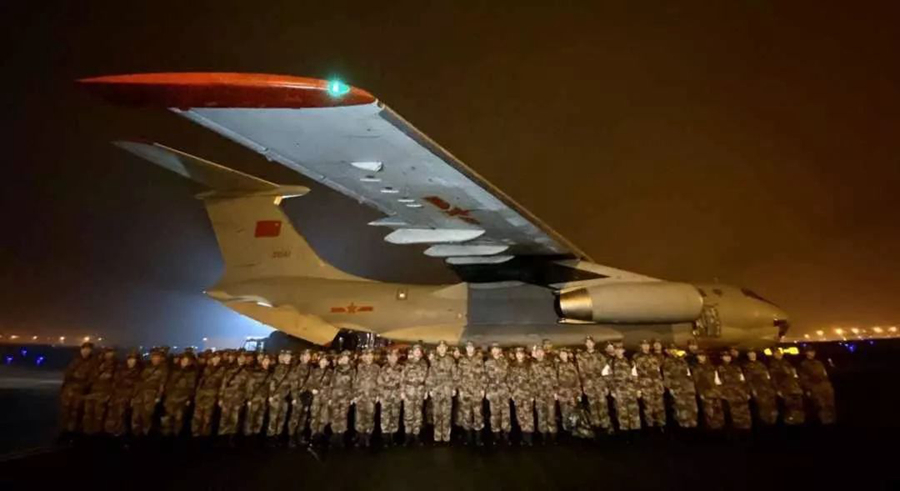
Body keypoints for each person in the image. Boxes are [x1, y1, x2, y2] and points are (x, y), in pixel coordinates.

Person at [575, 336, 613, 436]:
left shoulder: (600, 356)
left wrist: (607, 385)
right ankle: (596, 426)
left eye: (590, 342)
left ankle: (606, 426)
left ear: (594, 343)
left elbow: (606, 371)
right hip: (589, 384)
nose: (589, 344)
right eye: (587, 342)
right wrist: (584, 385)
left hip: (600, 384)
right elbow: (581, 372)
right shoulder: (581, 356)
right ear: (585, 344)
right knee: (592, 406)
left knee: (603, 405)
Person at [59, 342, 96, 435]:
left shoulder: (93, 363)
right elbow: (67, 375)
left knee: (77, 413)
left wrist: (84, 386)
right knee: (66, 412)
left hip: (81, 391)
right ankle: (65, 431)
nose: (85, 351)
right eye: (84, 349)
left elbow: (91, 379)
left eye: (88, 349)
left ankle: (74, 432)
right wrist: (64, 389)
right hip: (70, 391)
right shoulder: (75, 361)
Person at [161, 351, 199, 437]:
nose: (185, 362)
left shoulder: (192, 372)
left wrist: (189, 398)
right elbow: (168, 382)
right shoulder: (174, 369)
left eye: (187, 360)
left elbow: (192, 387)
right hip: (171, 398)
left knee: (178, 419)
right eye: (184, 360)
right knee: (167, 419)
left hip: (182, 399)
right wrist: (167, 394)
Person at [131, 349, 167, 436]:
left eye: (157, 357)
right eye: (153, 357)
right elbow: (138, 380)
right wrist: (134, 394)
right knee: (136, 415)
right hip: (139, 394)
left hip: (151, 395)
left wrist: (158, 396)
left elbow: (162, 384)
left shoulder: (163, 369)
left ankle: (145, 432)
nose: (155, 359)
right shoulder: (145, 366)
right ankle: (135, 433)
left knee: (146, 416)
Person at [105, 350, 142, 436]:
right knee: (111, 409)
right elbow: (115, 382)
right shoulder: (121, 369)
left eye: (133, 359)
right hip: (117, 393)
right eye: (129, 359)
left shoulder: (138, 371)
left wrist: (132, 396)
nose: (131, 361)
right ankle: (110, 430)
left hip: (128, 395)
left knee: (121, 410)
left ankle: (119, 430)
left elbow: (137, 385)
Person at [426, 341, 457, 444]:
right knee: (437, 414)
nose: (442, 349)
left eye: (444, 347)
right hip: (437, 390)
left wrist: (454, 388)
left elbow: (455, 375)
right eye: (440, 347)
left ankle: (446, 436)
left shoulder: (451, 360)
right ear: (437, 349)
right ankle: (437, 437)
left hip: (447, 389)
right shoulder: (433, 360)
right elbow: (430, 375)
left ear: (446, 348)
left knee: (447, 414)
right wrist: (429, 389)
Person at [661, 344, 698, 429]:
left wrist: (691, 385)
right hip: (677, 388)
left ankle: (693, 425)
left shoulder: (682, 360)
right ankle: (683, 426)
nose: (674, 351)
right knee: (681, 408)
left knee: (692, 407)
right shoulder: (667, 361)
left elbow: (689, 373)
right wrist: (671, 388)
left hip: (688, 387)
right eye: (671, 350)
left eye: (675, 349)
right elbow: (666, 376)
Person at [455, 341, 485, 446]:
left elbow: (483, 375)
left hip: (477, 390)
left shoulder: (479, 359)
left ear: (474, 349)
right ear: (466, 349)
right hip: (466, 391)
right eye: (468, 347)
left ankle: (478, 439)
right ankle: (468, 438)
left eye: (471, 347)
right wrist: (460, 390)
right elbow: (458, 376)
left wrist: (482, 389)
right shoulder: (462, 360)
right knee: (466, 414)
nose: (470, 349)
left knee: (478, 414)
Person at [798, 346, 836, 425]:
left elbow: (824, 374)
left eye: (813, 351)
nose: (812, 353)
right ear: (806, 353)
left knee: (830, 406)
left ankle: (831, 420)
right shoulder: (804, 364)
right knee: (822, 407)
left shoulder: (819, 363)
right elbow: (803, 379)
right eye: (810, 351)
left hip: (825, 387)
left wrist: (828, 385)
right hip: (816, 388)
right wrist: (809, 389)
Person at [82, 347, 116, 435]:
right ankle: (87, 432)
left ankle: (97, 433)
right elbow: (89, 377)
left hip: (104, 392)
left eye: (110, 353)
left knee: (99, 414)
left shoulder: (115, 365)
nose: (109, 355)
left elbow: (112, 379)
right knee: (88, 413)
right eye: (107, 353)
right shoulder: (96, 364)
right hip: (93, 391)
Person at [633, 339, 666, 430]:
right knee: (648, 408)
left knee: (660, 407)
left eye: (647, 345)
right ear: (640, 346)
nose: (646, 346)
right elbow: (634, 374)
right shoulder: (636, 357)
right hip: (645, 386)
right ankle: (650, 427)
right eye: (644, 345)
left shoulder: (654, 356)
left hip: (657, 385)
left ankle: (661, 425)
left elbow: (660, 369)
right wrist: (637, 388)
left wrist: (661, 384)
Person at [192, 351, 225, 438]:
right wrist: (197, 393)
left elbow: (222, 384)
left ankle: (205, 436)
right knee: (197, 417)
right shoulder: (205, 368)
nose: (216, 359)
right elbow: (200, 382)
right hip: (201, 395)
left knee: (207, 418)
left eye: (217, 358)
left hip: (212, 396)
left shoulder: (222, 369)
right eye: (214, 357)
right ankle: (195, 434)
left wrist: (219, 396)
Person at [218, 350, 250, 441]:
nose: (241, 359)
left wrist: (245, 399)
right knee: (224, 418)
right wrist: (220, 397)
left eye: (243, 358)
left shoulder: (247, 371)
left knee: (234, 419)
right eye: (240, 357)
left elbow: (248, 387)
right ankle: (222, 438)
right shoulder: (230, 369)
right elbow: (223, 384)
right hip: (227, 398)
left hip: (238, 399)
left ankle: (231, 438)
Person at [266, 350, 297, 443]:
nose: (287, 358)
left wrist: (294, 397)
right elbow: (273, 382)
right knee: (273, 417)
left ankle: (278, 435)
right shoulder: (278, 368)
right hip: (276, 396)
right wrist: (271, 395)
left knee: (282, 417)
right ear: (283, 357)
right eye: (286, 356)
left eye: (289, 356)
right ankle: (270, 436)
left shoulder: (293, 369)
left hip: (286, 397)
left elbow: (293, 384)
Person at [401, 344, 429, 445]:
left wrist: (426, 391)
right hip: (409, 391)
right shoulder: (407, 363)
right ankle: (408, 435)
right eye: (415, 350)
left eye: (419, 351)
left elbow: (427, 378)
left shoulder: (424, 364)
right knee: (408, 413)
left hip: (420, 391)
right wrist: (402, 391)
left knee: (418, 414)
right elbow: (402, 378)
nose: (417, 352)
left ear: (421, 353)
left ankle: (416, 435)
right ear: (412, 352)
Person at [742, 349, 778, 426]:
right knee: (762, 407)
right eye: (750, 354)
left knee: (772, 405)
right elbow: (748, 380)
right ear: (748, 356)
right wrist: (751, 390)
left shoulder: (761, 364)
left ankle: (773, 422)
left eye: (753, 354)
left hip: (767, 388)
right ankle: (764, 423)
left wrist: (772, 387)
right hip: (758, 389)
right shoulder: (746, 366)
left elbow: (768, 376)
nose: (752, 356)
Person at [769, 349, 805, 425]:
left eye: (779, 353)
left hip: (795, 388)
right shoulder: (773, 365)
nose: (778, 354)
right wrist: (777, 389)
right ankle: (790, 421)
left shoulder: (787, 363)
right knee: (789, 406)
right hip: (785, 389)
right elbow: (774, 379)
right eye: (776, 353)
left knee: (798, 405)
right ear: (774, 355)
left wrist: (799, 385)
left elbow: (794, 374)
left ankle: (799, 420)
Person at [484, 343, 511, 445]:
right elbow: (485, 378)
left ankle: (506, 435)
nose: (495, 351)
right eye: (493, 349)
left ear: (500, 350)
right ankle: (496, 435)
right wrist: (486, 391)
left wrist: (510, 390)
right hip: (493, 390)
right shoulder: (487, 363)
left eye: (497, 349)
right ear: (491, 351)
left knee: (506, 413)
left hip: (504, 390)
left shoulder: (505, 362)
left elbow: (509, 377)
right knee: (494, 414)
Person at [610, 343, 641, 433]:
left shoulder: (630, 362)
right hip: (619, 390)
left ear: (623, 351)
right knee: (622, 411)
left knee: (634, 410)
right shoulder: (611, 363)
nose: (619, 351)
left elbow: (635, 376)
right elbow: (609, 377)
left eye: (620, 349)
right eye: (617, 349)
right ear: (615, 351)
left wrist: (638, 389)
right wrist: (612, 390)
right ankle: (625, 431)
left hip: (630, 389)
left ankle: (636, 431)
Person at [530, 345, 558, 444]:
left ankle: (553, 437)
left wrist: (555, 391)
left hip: (549, 393)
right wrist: (533, 394)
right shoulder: (532, 365)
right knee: (541, 416)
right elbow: (531, 380)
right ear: (535, 353)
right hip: (539, 394)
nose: (539, 353)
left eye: (541, 351)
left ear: (543, 353)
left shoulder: (549, 363)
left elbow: (554, 377)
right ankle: (544, 437)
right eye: (537, 352)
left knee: (551, 415)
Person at [508, 347, 535, 445]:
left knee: (528, 416)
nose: (519, 355)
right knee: (520, 415)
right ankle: (523, 438)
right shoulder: (512, 366)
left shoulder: (528, 365)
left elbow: (532, 380)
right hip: (517, 394)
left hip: (527, 394)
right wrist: (512, 392)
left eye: (521, 353)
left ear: (523, 354)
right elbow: (510, 380)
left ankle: (529, 438)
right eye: (517, 354)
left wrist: (532, 394)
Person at [718, 351, 751, 430]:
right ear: (722, 358)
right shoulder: (719, 368)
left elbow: (743, 380)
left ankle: (747, 429)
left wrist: (747, 391)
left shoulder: (736, 367)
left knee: (745, 412)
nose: (727, 358)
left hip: (741, 393)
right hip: (730, 394)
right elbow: (718, 383)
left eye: (729, 356)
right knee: (735, 414)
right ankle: (739, 430)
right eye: (725, 356)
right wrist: (723, 393)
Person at [329, 350, 356, 448]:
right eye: (343, 357)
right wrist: (330, 396)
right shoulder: (336, 369)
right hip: (335, 395)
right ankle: (334, 436)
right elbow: (332, 383)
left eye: (347, 357)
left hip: (346, 396)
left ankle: (341, 437)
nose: (345, 359)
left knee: (343, 416)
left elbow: (354, 383)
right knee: (335, 416)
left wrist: (352, 396)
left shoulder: (352, 370)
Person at [377, 348, 403, 446]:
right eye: (391, 356)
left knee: (395, 415)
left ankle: (393, 437)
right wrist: (380, 395)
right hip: (386, 394)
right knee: (385, 416)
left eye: (395, 356)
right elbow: (379, 383)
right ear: (388, 357)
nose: (393, 358)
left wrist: (402, 392)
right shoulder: (383, 368)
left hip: (396, 394)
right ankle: (385, 437)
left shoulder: (401, 368)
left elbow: (403, 381)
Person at [692, 351, 724, 430]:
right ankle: (711, 429)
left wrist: (720, 390)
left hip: (716, 392)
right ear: (697, 357)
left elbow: (717, 380)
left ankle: (721, 428)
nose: (702, 357)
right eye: (700, 356)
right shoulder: (696, 368)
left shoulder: (712, 367)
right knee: (709, 412)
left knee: (719, 411)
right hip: (706, 393)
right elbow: (696, 382)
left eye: (703, 356)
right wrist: (700, 393)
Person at [354, 349, 380, 447]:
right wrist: (355, 395)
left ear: (373, 357)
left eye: (370, 355)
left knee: (370, 416)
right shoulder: (360, 366)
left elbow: (379, 382)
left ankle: (368, 437)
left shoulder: (377, 367)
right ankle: (360, 437)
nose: (369, 357)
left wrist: (378, 394)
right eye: (367, 355)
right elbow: (356, 381)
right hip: (361, 395)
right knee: (359, 417)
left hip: (371, 396)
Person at [287, 349, 313, 446]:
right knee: (294, 417)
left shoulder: (310, 368)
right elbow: (293, 384)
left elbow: (312, 382)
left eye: (308, 355)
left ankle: (299, 436)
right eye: (305, 355)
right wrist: (294, 397)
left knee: (303, 418)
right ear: (301, 357)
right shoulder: (296, 368)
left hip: (306, 397)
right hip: (298, 396)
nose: (307, 357)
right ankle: (291, 438)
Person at [244, 353, 273, 437]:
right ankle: (247, 435)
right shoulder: (255, 371)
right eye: (264, 360)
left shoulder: (270, 372)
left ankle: (256, 434)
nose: (266, 362)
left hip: (263, 399)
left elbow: (271, 386)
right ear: (261, 361)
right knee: (250, 417)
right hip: (254, 398)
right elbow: (249, 385)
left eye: (268, 360)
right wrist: (249, 398)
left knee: (260, 417)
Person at [307, 355, 333, 445]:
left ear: (327, 362)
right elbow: (308, 383)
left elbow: (332, 385)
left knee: (324, 417)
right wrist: (312, 390)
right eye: (321, 360)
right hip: (316, 398)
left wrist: (330, 398)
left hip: (326, 397)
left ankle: (320, 433)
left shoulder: (330, 372)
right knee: (314, 416)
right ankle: (313, 434)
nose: (323, 362)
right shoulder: (314, 371)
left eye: (325, 360)